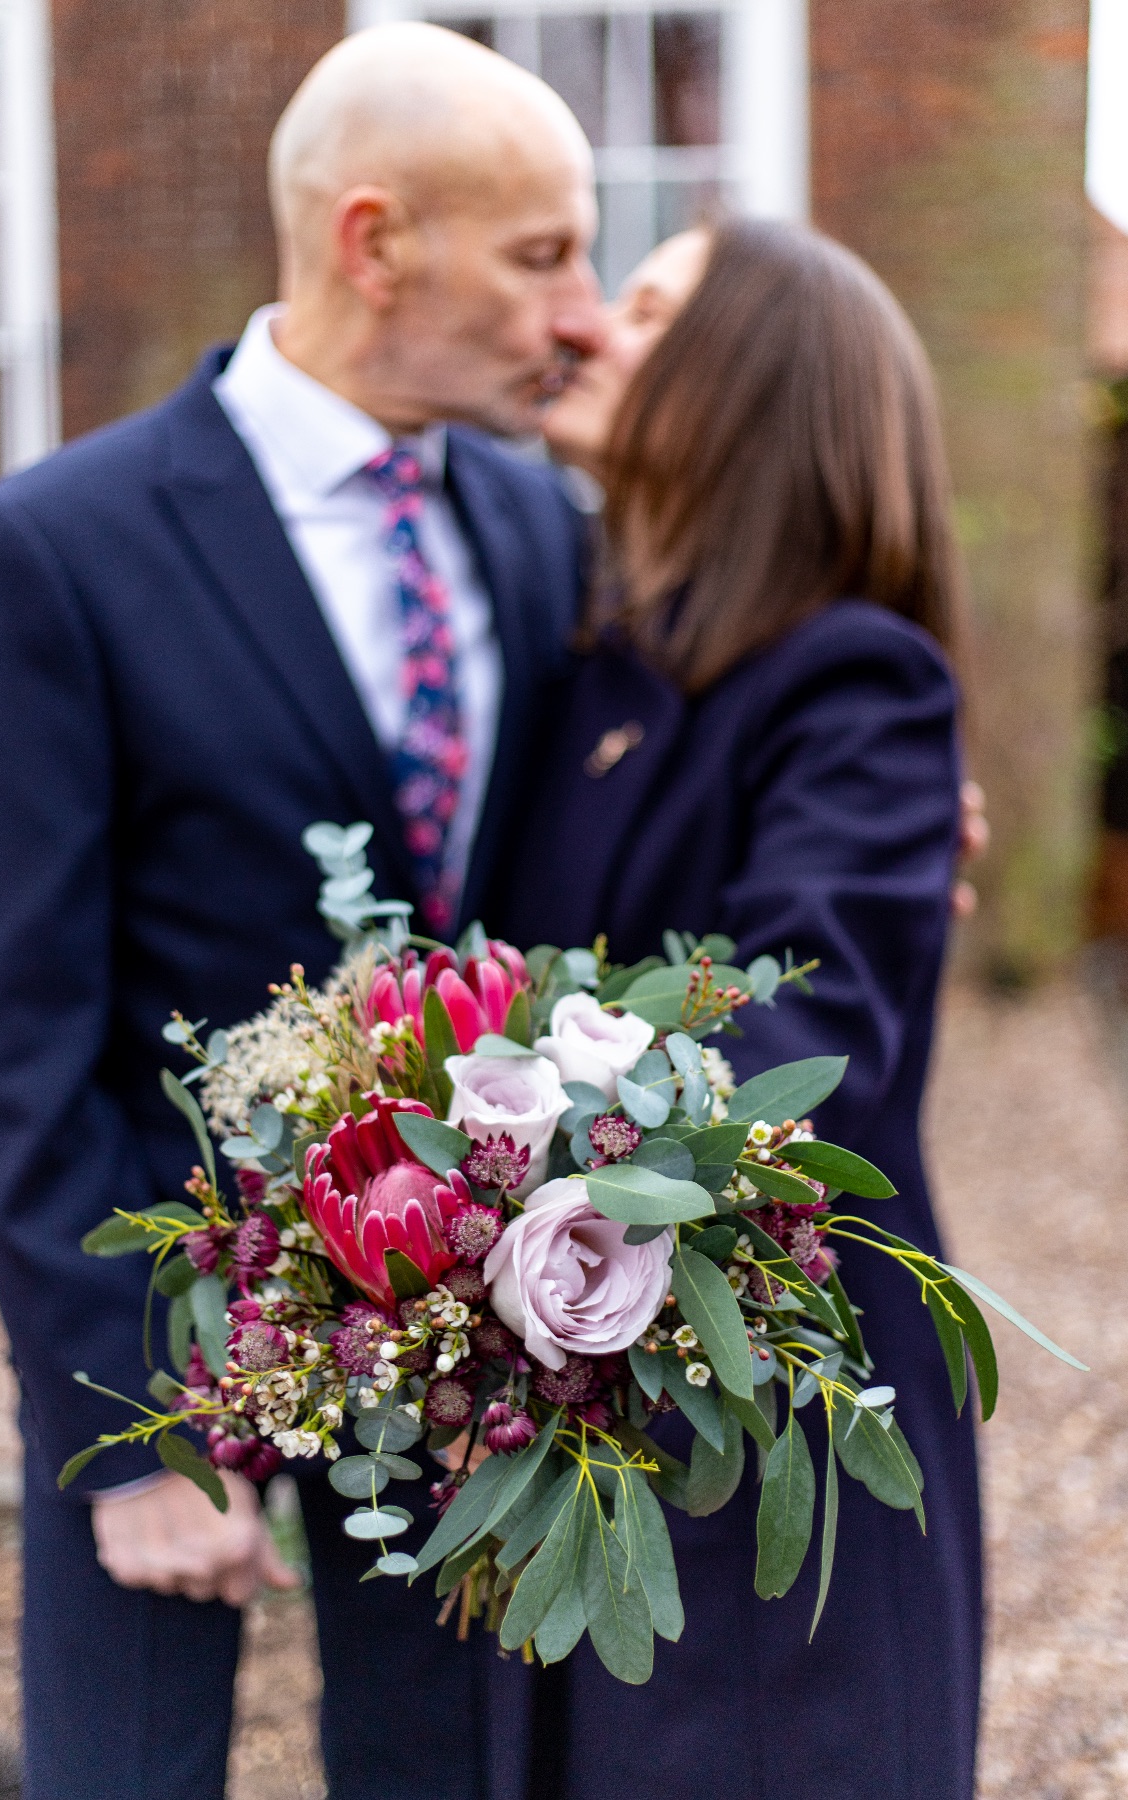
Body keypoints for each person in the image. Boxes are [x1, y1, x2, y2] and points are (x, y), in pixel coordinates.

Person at [0, 24, 602, 1799]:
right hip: (155, 1331)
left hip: (471, 1338)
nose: (585, 312)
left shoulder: (543, 536)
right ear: (376, 243)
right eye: (542, 255)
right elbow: (7, 1034)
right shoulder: (54, 549)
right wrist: (118, 1430)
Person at [493, 218, 983, 1799]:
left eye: (644, 310)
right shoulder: (597, 674)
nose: (586, 326)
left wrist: (479, 1182)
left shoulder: (855, 682)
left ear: (750, 391)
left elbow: (796, 1053)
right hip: (580, 1399)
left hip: (769, 1414)